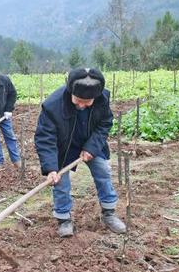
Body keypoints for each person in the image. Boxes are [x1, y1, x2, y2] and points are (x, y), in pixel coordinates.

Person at [34, 67, 125, 237]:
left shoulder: (102, 98)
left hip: (92, 143)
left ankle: (109, 214)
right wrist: (51, 168)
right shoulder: (52, 106)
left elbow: (105, 123)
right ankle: (64, 219)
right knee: (60, 183)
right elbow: (45, 138)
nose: (82, 105)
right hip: (64, 147)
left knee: (103, 172)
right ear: (70, 91)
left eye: (87, 101)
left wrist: (91, 147)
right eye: (78, 100)